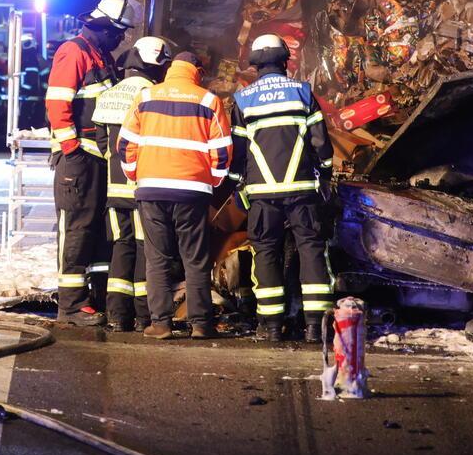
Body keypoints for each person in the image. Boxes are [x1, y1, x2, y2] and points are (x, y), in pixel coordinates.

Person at [120, 50, 233, 340]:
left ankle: (160, 324)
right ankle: (201, 324)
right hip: (192, 191)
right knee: (194, 259)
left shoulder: (146, 96)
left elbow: (125, 144)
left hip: (151, 189)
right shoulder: (208, 100)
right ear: (197, 71)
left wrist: (136, 174)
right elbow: (222, 150)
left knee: (157, 258)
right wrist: (212, 181)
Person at [232, 34, 336, 342]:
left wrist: (237, 185)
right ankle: (316, 326)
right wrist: (325, 174)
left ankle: (272, 326)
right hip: (302, 192)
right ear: (284, 60)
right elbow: (321, 142)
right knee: (312, 250)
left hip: (262, 195)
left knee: (266, 252)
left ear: (255, 64)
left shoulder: (243, 99)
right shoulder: (302, 92)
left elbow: (238, 152)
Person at [44, 0, 130, 326]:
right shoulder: (74, 52)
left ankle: (94, 298)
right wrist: (71, 149)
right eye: (118, 33)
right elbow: (58, 102)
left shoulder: (100, 55)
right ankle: (70, 305)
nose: (120, 39)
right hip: (79, 160)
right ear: (104, 28)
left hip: (96, 159)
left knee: (96, 231)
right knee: (77, 230)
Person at [95, 36, 169, 331]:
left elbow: (103, 144)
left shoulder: (109, 94)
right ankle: (143, 316)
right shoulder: (152, 95)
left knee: (121, 247)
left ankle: (117, 315)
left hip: (114, 191)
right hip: (142, 189)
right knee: (143, 248)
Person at [17, 36, 46, 129]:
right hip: (33, 95)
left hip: (30, 95)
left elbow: (34, 79)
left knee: (25, 119)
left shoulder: (30, 59)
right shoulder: (38, 59)